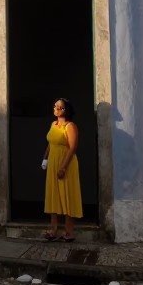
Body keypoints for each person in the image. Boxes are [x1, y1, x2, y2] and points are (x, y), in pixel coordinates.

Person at [42, 97, 82, 242]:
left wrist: (63, 167)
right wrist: (45, 159)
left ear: (67, 110)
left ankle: (69, 232)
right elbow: (50, 144)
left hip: (66, 163)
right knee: (54, 195)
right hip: (53, 162)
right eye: (55, 106)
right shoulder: (53, 124)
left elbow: (72, 148)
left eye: (60, 107)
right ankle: (53, 230)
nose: (56, 109)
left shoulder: (70, 126)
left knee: (67, 195)